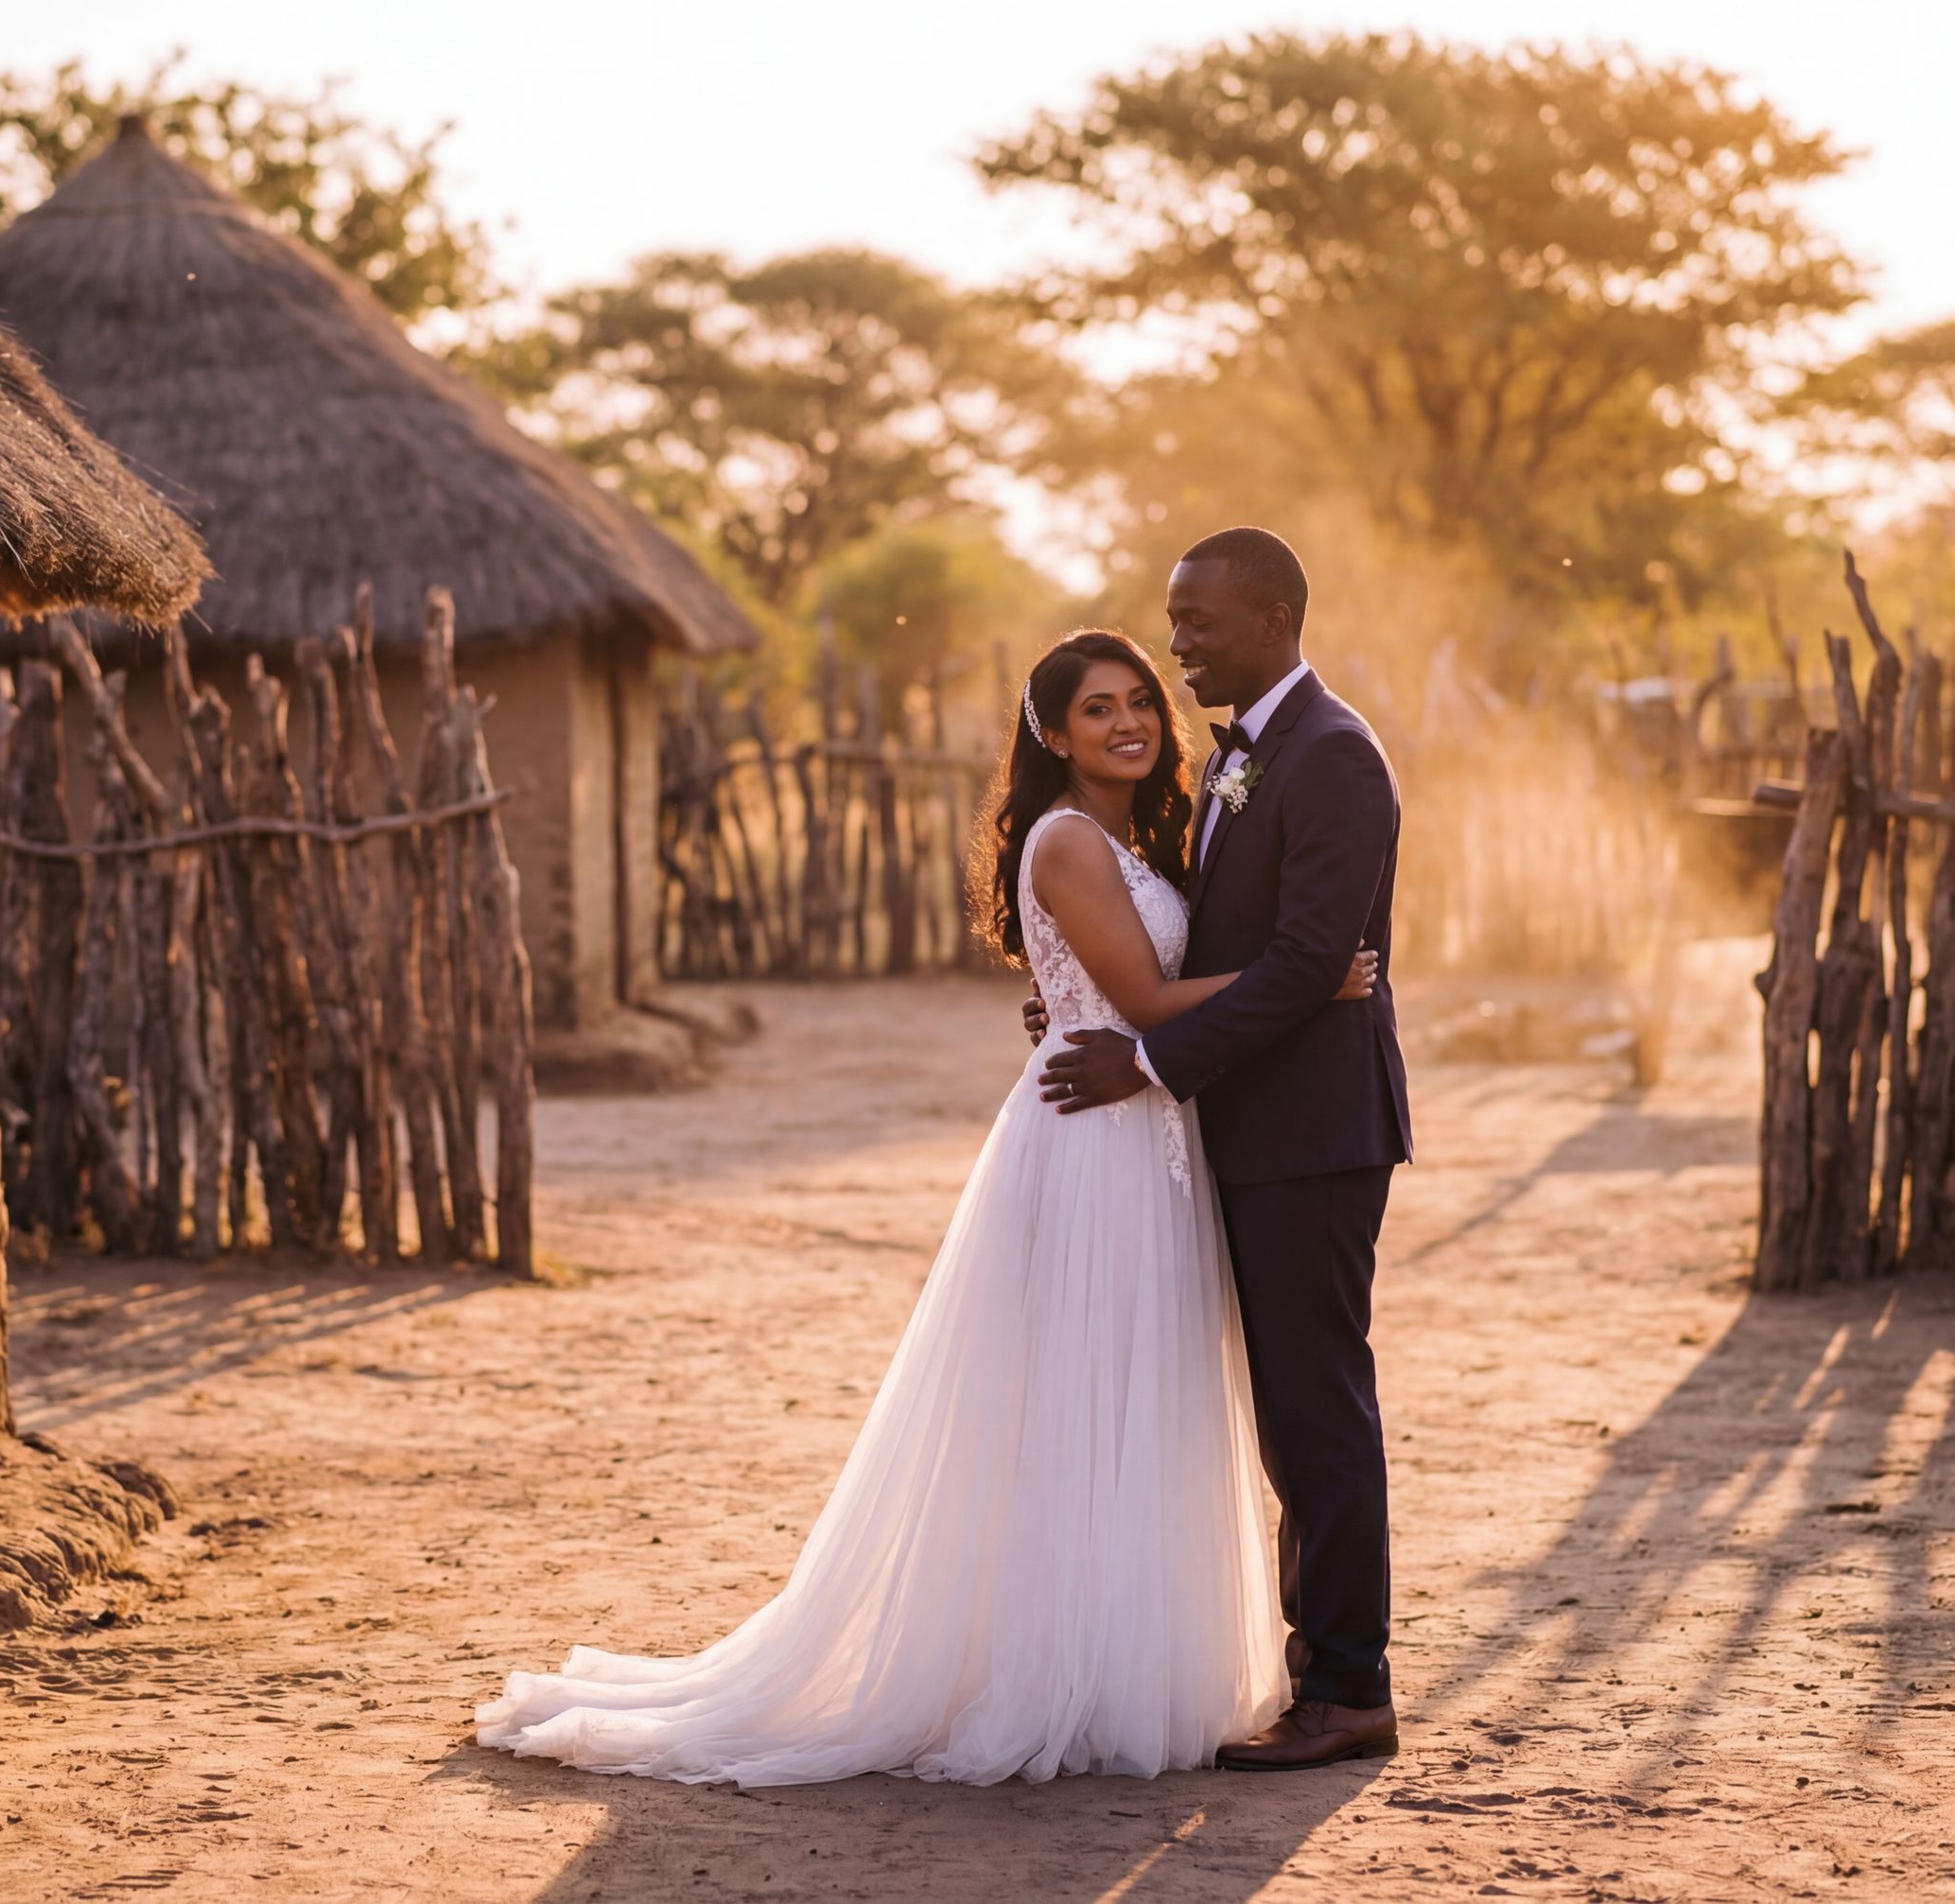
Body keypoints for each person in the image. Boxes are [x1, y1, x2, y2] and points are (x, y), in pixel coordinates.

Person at [475, 626, 1376, 1786]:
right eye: (1097, 710)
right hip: (1096, 1139)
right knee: (1076, 1398)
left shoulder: (1139, 832)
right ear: (1051, 735)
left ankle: (1118, 1660)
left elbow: (1124, 985)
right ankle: (1052, 1673)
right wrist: (1303, 980)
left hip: (1151, 1130)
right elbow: (1144, 994)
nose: (1130, 723)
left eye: (1140, 701)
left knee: (1141, 1396)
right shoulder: (1064, 839)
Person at [1036, 526, 1412, 1772]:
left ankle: (1349, 1688)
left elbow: (1311, 962)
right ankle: (1325, 1675)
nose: (1178, 641)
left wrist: (1146, 1057)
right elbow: (1197, 952)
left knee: (1316, 1410)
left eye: (1195, 622)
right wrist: (1084, 1004)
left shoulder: (1335, 755)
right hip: (1246, 1130)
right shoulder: (1240, 759)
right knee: (1285, 1417)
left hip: (1313, 1132)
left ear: (1270, 619)